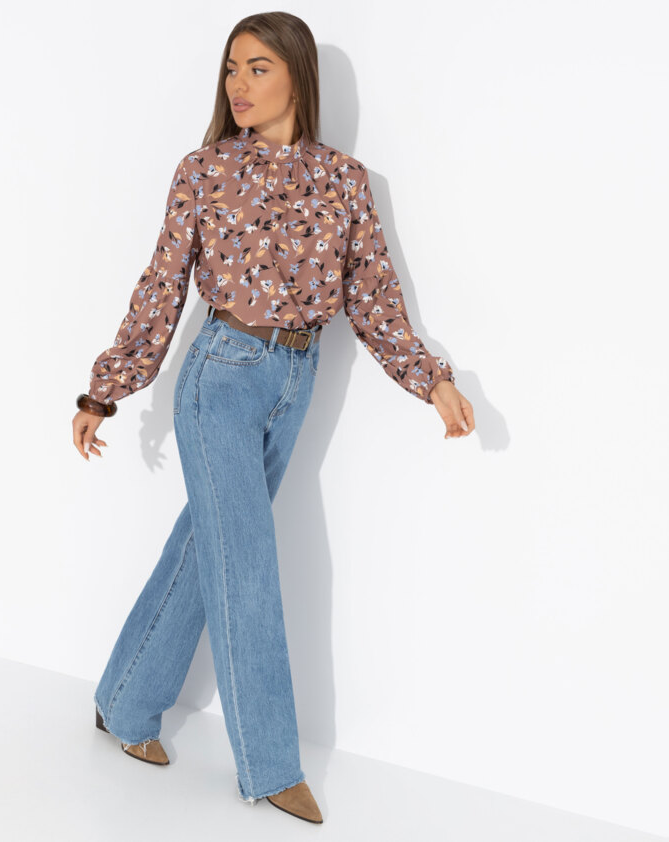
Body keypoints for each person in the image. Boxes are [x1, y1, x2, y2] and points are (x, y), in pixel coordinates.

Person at [71, 12, 475, 825]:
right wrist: (105, 390)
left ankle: (125, 699)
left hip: (294, 382)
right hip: (219, 378)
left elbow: (374, 299)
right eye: (231, 69)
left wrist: (430, 381)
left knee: (206, 551)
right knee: (246, 568)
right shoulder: (204, 170)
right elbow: (161, 286)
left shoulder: (345, 181)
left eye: (258, 68)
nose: (239, 85)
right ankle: (271, 766)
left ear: (297, 74)